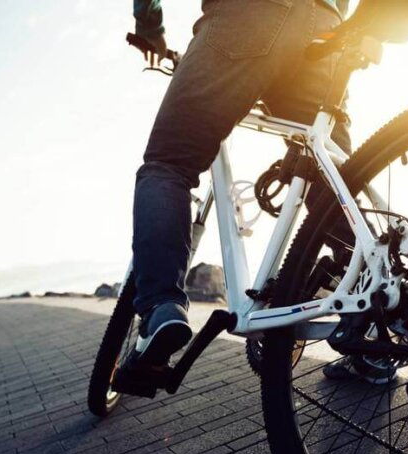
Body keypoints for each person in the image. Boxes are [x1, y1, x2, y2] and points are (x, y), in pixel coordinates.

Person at [124, 0, 353, 369]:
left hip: (247, 17)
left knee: (169, 164)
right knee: (337, 180)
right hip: (326, 25)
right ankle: (379, 326)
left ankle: (161, 309)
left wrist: (150, 26)